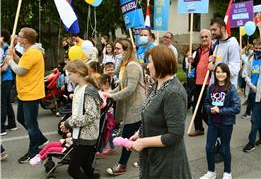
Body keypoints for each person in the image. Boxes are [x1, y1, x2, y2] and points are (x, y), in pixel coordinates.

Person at [128, 45, 191, 178]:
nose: (147, 66)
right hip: (153, 158)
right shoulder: (156, 84)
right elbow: (153, 117)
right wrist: (139, 133)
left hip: (168, 164)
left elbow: (175, 135)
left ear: (160, 63)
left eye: (150, 62)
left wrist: (143, 142)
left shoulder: (173, 93)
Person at [5, 27, 48, 163]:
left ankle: (34, 150)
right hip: (25, 92)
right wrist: (15, 56)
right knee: (22, 118)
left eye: (19, 35)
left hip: (31, 93)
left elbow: (20, 70)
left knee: (31, 124)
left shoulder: (33, 53)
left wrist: (9, 61)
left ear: (25, 39)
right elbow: (23, 62)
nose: (17, 37)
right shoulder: (29, 52)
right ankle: (41, 139)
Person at [104, 38, 145, 176]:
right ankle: (146, 161)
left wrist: (112, 96)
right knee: (138, 136)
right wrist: (109, 92)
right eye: (115, 48)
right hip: (130, 106)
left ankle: (122, 165)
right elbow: (121, 86)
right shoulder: (124, 64)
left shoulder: (132, 65)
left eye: (118, 49)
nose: (115, 51)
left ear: (127, 51)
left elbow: (130, 89)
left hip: (136, 106)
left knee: (128, 136)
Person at [59, 60, 101, 179]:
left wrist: (69, 123)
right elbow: (78, 112)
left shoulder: (88, 91)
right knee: (85, 165)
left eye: (70, 74)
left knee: (73, 169)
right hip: (81, 134)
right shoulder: (78, 88)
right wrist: (67, 123)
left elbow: (90, 116)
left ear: (78, 73)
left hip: (86, 136)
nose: (68, 76)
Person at [200, 63, 240, 179]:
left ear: (227, 73)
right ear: (214, 73)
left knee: (224, 148)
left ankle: (227, 172)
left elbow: (237, 108)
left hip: (226, 124)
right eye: (217, 72)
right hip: (213, 123)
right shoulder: (211, 87)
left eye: (223, 72)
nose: (220, 74)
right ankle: (211, 172)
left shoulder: (231, 88)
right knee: (209, 147)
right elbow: (206, 103)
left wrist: (220, 110)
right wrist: (209, 109)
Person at [242, 38, 261, 153]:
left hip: (260, 95)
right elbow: (244, 74)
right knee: (258, 116)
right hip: (250, 92)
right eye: (256, 48)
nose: (258, 50)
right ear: (253, 48)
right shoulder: (249, 60)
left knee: (254, 118)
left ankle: (251, 142)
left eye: (260, 48)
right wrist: (251, 85)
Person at [187, 29, 213, 137]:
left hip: (209, 84)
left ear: (210, 37)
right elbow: (197, 65)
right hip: (198, 83)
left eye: (206, 36)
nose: (204, 39)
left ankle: (213, 127)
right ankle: (199, 128)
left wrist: (214, 61)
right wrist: (192, 61)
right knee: (196, 106)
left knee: (205, 109)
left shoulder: (214, 49)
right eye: (202, 37)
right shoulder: (199, 50)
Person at [209, 19, 241, 88]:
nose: (212, 32)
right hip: (216, 87)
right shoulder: (217, 44)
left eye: (214, 30)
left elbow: (234, 70)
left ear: (222, 28)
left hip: (227, 88)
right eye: (211, 30)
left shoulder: (232, 44)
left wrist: (214, 68)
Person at [1, 29, 17, 136]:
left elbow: (5, 68)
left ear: (2, 38)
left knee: (2, 103)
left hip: (5, 79)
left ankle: (1, 128)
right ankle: (12, 124)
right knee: (6, 101)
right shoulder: (4, 48)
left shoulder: (6, 49)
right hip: (7, 79)